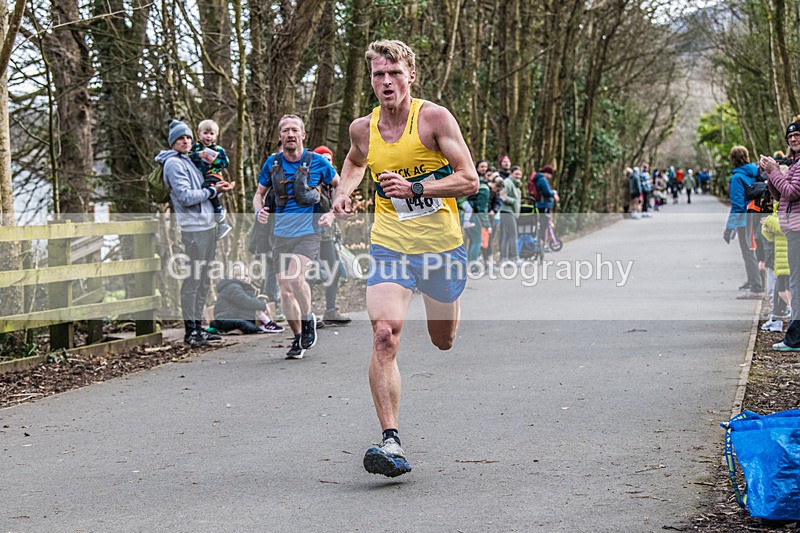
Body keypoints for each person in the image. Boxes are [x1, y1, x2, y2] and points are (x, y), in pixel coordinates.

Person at [332, 39, 479, 477]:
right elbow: (355, 161)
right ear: (371, 79)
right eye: (379, 74)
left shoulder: (433, 118)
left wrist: (416, 188)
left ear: (410, 75)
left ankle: (448, 301)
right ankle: (390, 440)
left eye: (394, 73)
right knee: (384, 335)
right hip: (390, 243)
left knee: (443, 340)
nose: (387, 81)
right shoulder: (363, 128)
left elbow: (469, 179)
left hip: (440, 246)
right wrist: (344, 190)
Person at [253, 115, 338, 359]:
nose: (290, 134)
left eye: (294, 130)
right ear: (280, 136)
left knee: (295, 277)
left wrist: (332, 213)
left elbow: (338, 185)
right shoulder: (272, 163)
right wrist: (259, 211)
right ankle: (299, 338)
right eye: (285, 131)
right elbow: (259, 194)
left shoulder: (317, 162)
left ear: (303, 134)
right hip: (280, 234)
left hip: (309, 232)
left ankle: (308, 317)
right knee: (285, 291)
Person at [157, 119, 232, 347]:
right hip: (193, 229)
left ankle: (199, 328)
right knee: (193, 280)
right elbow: (185, 197)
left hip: (207, 226)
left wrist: (218, 189)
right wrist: (211, 191)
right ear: (173, 142)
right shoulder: (173, 164)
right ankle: (191, 331)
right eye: (181, 138)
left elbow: (203, 191)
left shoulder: (189, 160)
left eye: (188, 137)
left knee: (204, 280)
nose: (186, 141)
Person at [764, 115, 800, 350]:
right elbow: (780, 194)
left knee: (796, 284)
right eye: (790, 136)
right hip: (792, 229)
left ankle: (795, 338)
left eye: (797, 135)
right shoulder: (795, 163)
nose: (793, 139)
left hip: (797, 229)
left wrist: (775, 172)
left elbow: (793, 192)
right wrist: (771, 173)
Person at [312, 145, 352, 326]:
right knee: (311, 274)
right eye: (323, 159)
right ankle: (307, 315)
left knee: (334, 271)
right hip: (310, 235)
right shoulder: (310, 182)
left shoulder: (333, 187)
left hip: (328, 236)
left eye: (329, 160)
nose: (327, 163)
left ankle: (330, 311)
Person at [725, 145, 764, 299]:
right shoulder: (756, 172)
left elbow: (737, 205)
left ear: (733, 159)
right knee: (758, 251)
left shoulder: (737, 177)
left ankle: (756, 288)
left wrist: (729, 227)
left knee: (748, 253)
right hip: (759, 216)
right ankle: (756, 281)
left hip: (745, 219)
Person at [189, 119, 233, 240]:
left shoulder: (218, 149)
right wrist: (198, 155)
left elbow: (225, 163)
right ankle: (221, 224)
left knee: (207, 188)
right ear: (199, 134)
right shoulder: (196, 147)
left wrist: (215, 161)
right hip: (200, 176)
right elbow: (188, 156)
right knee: (203, 195)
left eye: (212, 134)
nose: (208, 136)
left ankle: (219, 208)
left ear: (216, 136)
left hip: (214, 175)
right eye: (205, 133)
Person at [210, 265, 284, 334]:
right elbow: (244, 301)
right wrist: (263, 305)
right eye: (243, 275)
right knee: (250, 322)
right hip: (226, 318)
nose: (246, 278)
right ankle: (267, 324)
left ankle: (266, 323)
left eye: (247, 276)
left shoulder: (241, 288)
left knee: (253, 314)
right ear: (235, 276)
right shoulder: (232, 287)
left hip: (234, 316)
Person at [499, 166, 521, 263]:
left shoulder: (516, 184)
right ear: (511, 173)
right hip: (507, 211)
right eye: (516, 174)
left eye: (519, 174)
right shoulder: (508, 182)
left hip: (511, 212)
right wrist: (514, 201)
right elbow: (502, 195)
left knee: (506, 236)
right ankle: (515, 258)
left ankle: (504, 259)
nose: (518, 176)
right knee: (513, 235)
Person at [533, 165, 558, 243]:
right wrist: (553, 192)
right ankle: (543, 242)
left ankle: (543, 242)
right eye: (550, 173)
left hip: (541, 204)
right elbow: (547, 192)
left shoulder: (540, 179)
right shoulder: (542, 180)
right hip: (543, 205)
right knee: (544, 225)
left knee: (544, 224)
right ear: (547, 173)